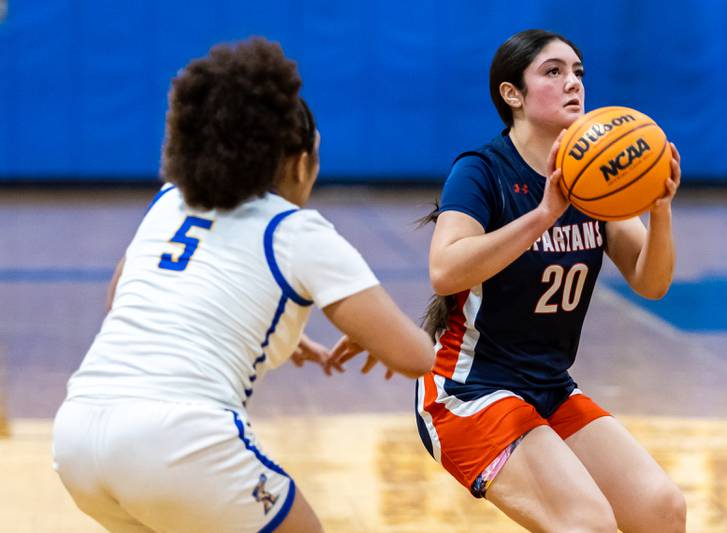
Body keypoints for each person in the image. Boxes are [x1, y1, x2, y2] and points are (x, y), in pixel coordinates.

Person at [52, 37, 434, 533]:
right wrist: (375, 335)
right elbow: (417, 357)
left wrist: (262, 329)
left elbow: (121, 301)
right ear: (301, 161)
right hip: (176, 440)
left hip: (77, 436)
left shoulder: (170, 201)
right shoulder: (295, 229)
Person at [412, 30, 685, 532]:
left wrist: (660, 211)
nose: (573, 83)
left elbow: (651, 283)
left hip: (549, 387)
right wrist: (543, 214)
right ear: (511, 94)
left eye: (578, 72)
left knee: (661, 510)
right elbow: (444, 268)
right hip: (469, 391)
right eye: (553, 72)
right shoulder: (481, 171)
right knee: (587, 522)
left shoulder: (597, 178)